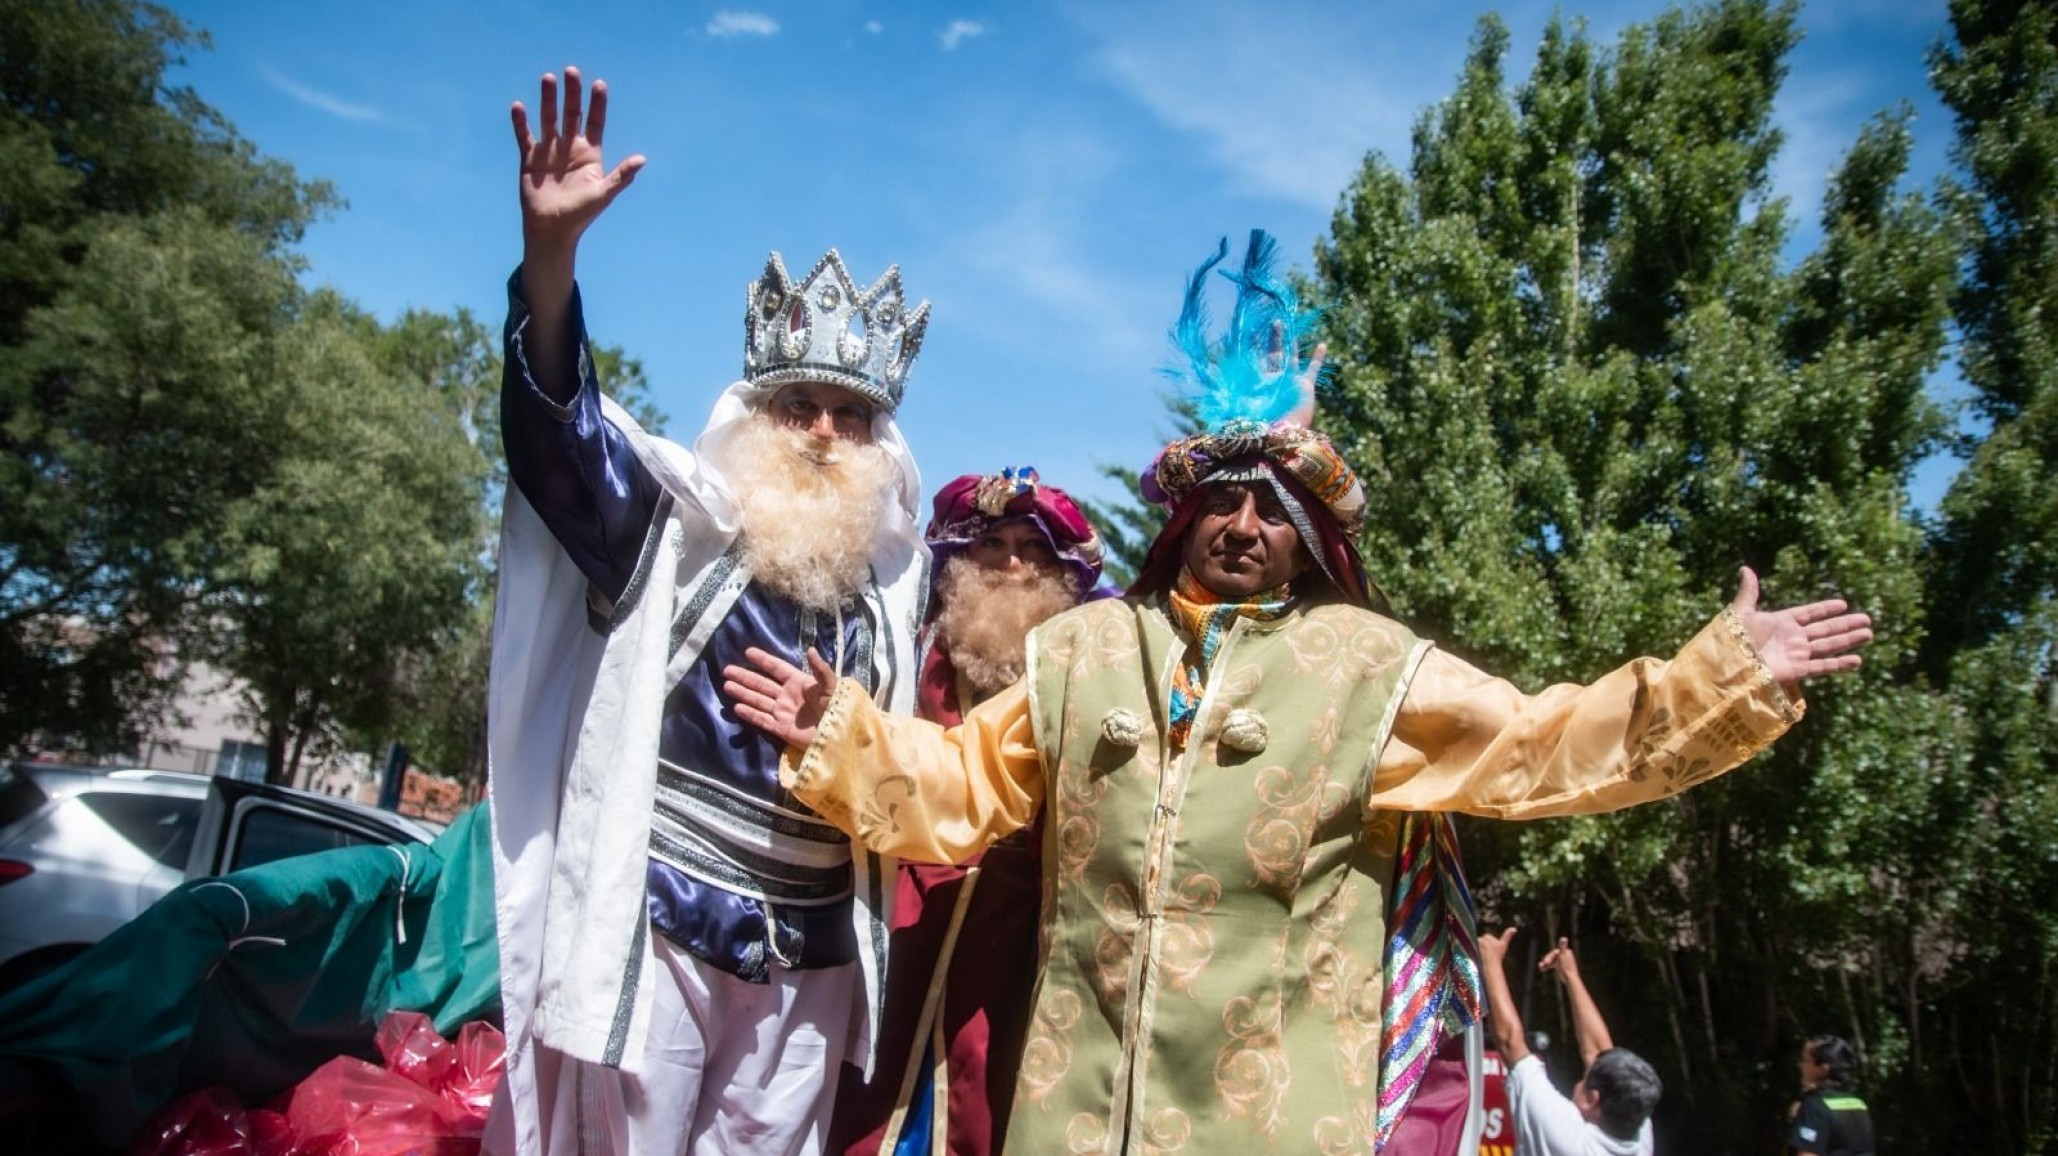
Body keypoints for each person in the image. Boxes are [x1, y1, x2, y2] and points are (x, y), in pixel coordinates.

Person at [724, 230, 1874, 1155]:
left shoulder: (1370, 667)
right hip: (1069, 1121)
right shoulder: (1083, 651)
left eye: (1275, 506)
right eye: (1224, 497)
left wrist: (1721, 672)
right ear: (1184, 516)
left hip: (1269, 1123)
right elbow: (963, 783)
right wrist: (844, 732)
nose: (1244, 522)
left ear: (1309, 532)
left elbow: (1545, 745)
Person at [484, 67, 932, 1155]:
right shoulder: (677, 531)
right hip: (668, 924)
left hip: (813, 957)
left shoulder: (894, 590)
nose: (825, 431)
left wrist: (846, 728)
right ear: (760, 414)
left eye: (850, 415)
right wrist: (552, 260)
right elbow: (562, 441)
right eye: (800, 407)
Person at [831, 468, 1109, 1156]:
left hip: (1024, 937)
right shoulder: (906, 656)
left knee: (995, 1104)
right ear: (958, 565)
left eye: (1032, 550)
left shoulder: (1090, 675)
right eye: (993, 548)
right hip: (902, 910)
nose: (1012, 566)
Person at [1478, 929, 1659, 1156]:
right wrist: (1571, 976)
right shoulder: (1637, 1129)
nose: (1585, 1074)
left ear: (1592, 1100)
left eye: (1587, 1079)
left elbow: (1510, 1043)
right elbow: (1600, 1051)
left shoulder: (1564, 1136)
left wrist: (1490, 963)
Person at [1787, 1035, 1875, 1156]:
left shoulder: (1814, 1106)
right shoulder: (1859, 1104)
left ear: (1823, 1069)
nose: (1801, 1065)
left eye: (1805, 1060)